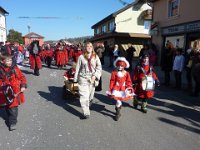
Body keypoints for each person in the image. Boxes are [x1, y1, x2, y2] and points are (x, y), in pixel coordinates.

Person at [0, 47, 27, 131]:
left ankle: (12, 123)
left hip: (14, 92)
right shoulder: (0, 70)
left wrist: (23, 85)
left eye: (10, 60)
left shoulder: (15, 68)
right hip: (3, 93)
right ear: (2, 61)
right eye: (7, 61)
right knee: (7, 107)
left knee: (13, 108)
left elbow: (22, 77)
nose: (10, 62)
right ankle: (10, 116)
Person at [74, 42, 102, 119]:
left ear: (92, 48)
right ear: (85, 48)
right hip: (83, 78)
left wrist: (95, 76)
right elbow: (78, 68)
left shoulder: (95, 57)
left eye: (90, 46)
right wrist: (75, 79)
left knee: (90, 96)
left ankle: (89, 104)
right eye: (87, 46)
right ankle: (86, 112)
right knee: (84, 96)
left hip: (92, 79)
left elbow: (99, 67)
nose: (89, 47)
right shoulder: (81, 57)